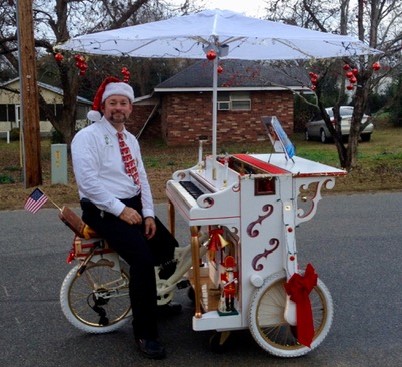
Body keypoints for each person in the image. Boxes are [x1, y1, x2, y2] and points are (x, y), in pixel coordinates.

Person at [71, 76, 179, 360]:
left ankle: (158, 300)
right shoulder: (86, 137)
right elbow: (88, 183)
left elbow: (140, 177)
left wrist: (147, 213)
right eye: (113, 102)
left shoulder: (130, 139)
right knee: (142, 260)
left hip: (131, 204)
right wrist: (121, 210)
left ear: (131, 108)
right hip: (102, 208)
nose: (118, 108)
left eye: (124, 103)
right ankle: (145, 333)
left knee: (168, 247)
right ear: (104, 106)